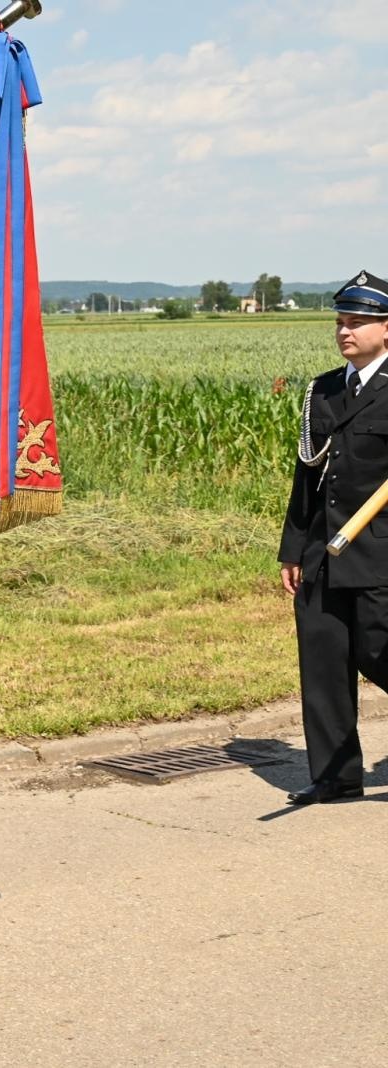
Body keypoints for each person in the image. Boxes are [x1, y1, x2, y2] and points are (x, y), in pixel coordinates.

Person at [279, 269, 388, 804]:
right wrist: (294, 548)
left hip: (381, 554)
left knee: (377, 652)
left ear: (386, 329)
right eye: (341, 322)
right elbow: (308, 477)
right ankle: (336, 777)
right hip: (325, 552)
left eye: (358, 322)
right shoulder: (322, 389)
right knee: (323, 663)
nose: (345, 331)